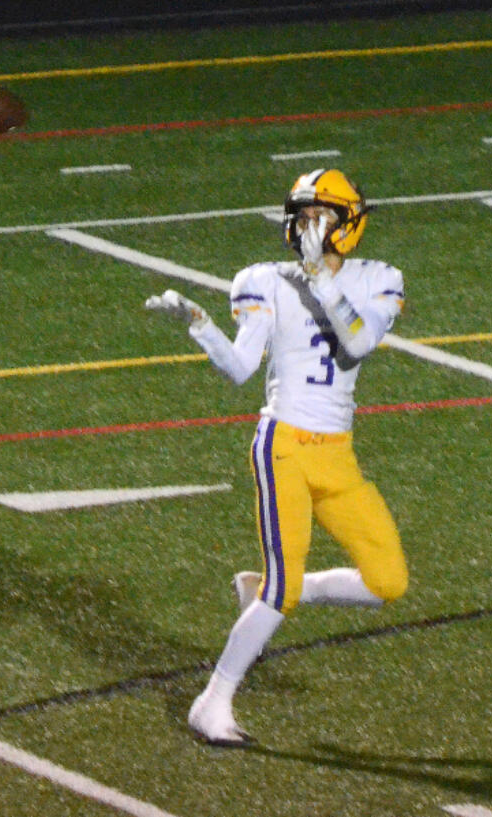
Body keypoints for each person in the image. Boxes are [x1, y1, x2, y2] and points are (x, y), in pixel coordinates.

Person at [145, 168, 408, 746]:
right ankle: (212, 703)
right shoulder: (264, 279)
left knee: (387, 581)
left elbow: (358, 341)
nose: (308, 227)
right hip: (283, 446)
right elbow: (240, 369)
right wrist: (202, 326)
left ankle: (274, 587)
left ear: (349, 223)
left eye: (321, 217)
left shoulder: (379, 279)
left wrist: (322, 279)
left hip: (338, 453)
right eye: (303, 217)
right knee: (281, 590)